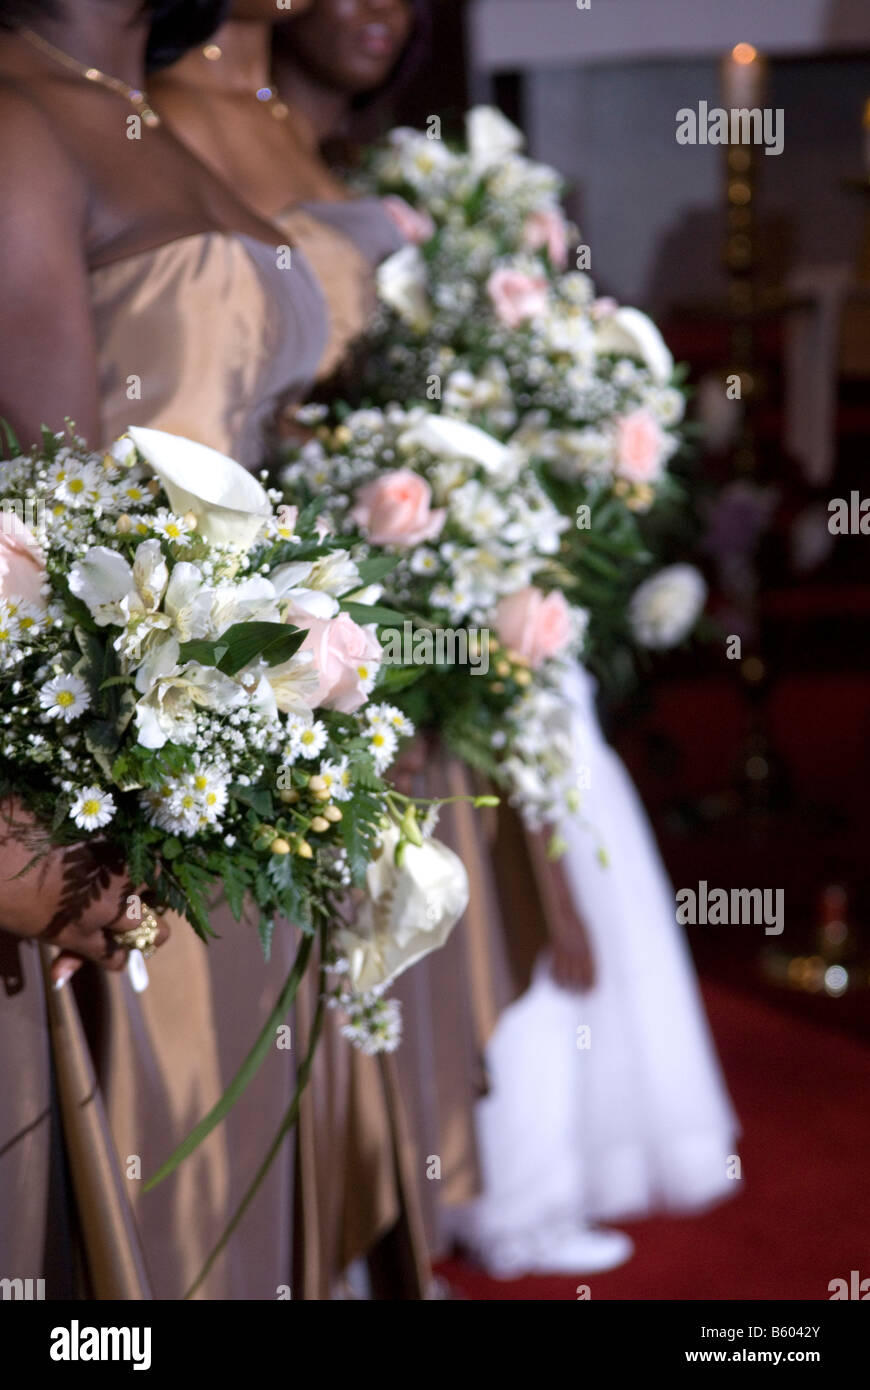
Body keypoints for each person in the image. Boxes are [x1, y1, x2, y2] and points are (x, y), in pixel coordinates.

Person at [274, 0, 742, 1281]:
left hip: (480, 567)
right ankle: (493, 1179)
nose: (379, 13)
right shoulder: (281, 165)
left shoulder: (401, 180)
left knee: (556, 825)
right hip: (394, 586)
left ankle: (544, 1164)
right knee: (478, 867)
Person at [0, 0, 344, 1300]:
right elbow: (52, 518)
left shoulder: (141, 98)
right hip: (117, 765)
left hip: (229, 734)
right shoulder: (20, 117)